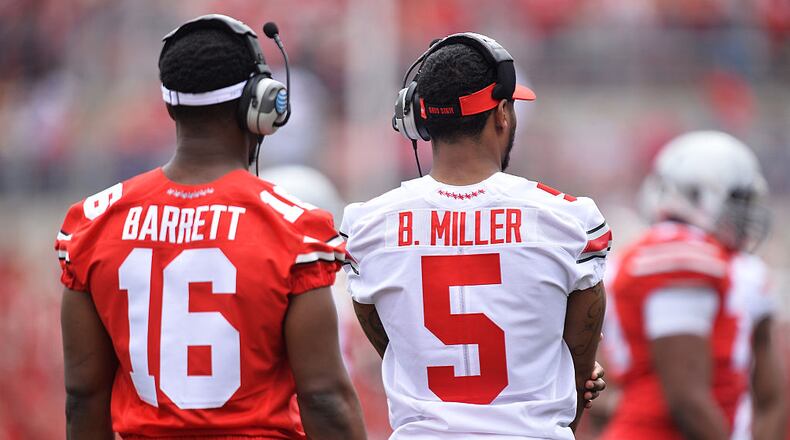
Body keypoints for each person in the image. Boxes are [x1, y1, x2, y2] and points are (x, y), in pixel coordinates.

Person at [56, 14, 366, 439]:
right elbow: (324, 398)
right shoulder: (294, 228)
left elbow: (83, 397)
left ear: (169, 103)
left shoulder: (93, 223)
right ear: (259, 105)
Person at [341, 33, 608, 439]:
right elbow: (574, 386)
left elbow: (397, 346)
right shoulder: (567, 221)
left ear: (418, 117)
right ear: (502, 113)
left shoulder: (370, 228)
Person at [600, 131, 787, 439]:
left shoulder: (740, 269)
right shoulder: (683, 256)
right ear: (696, 194)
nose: (745, 213)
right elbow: (685, 400)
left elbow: (771, 398)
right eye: (736, 200)